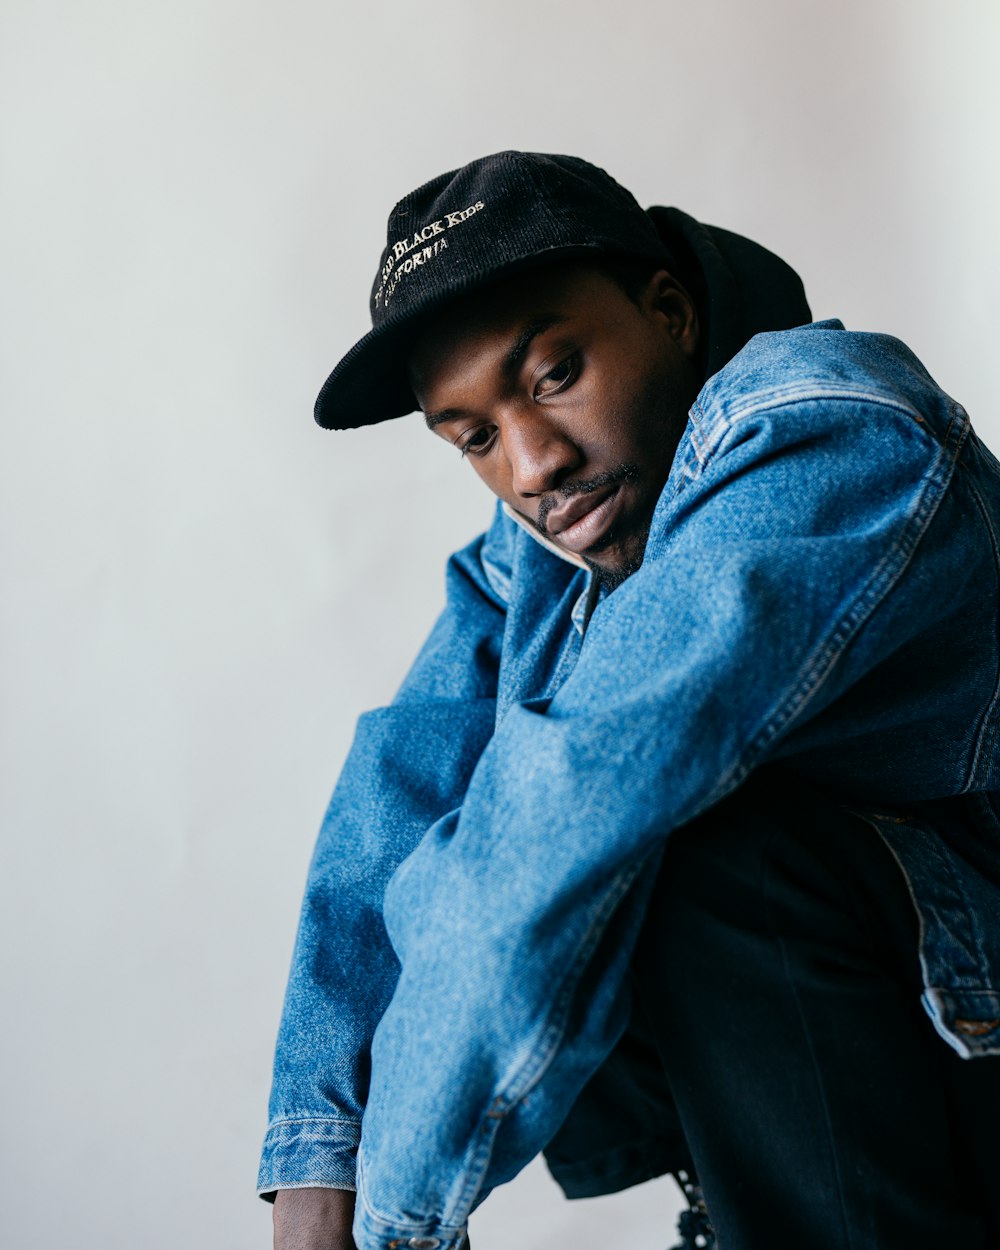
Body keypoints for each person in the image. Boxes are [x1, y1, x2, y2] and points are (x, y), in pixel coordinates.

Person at [259, 151, 1000, 1250]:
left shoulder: (832, 429)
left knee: (673, 829)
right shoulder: (548, 553)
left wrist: (397, 1225)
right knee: (485, 817)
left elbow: (572, 792)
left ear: (668, 312)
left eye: (554, 375)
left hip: (970, 1049)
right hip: (849, 1080)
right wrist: (313, 1157)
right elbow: (397, 794)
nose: (533, 466)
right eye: (474, 436)